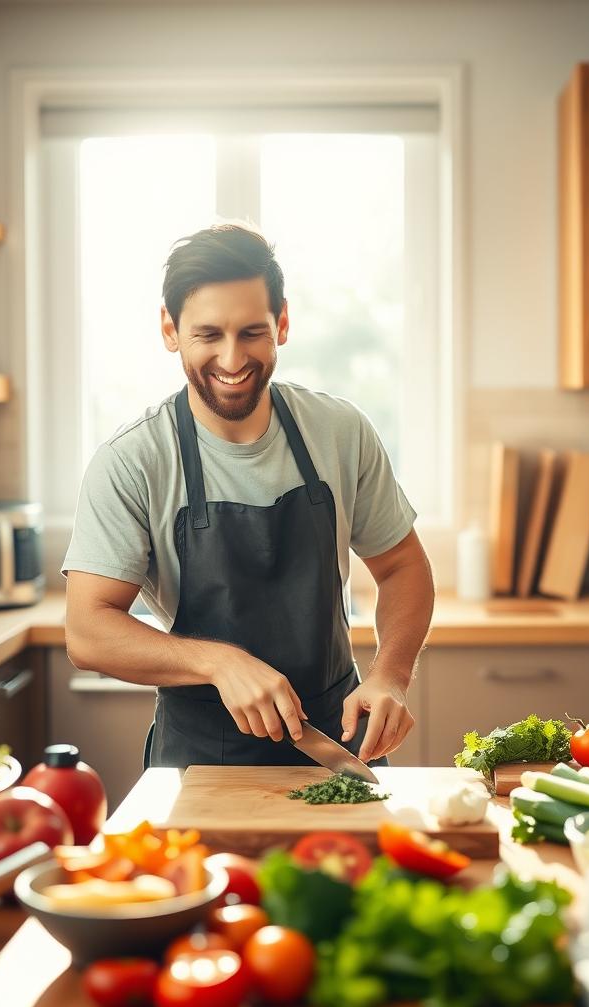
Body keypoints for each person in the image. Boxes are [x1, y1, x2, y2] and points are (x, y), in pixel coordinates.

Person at [62, 223, 434, 769]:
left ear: (282, 324)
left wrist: (391, 676)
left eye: (252, 332)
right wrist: (218, 662)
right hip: (198, 758)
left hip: (336, 740)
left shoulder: (339, 432)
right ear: (170, 329)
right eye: (208, 335)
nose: (232, 359)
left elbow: (403, 566)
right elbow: (88, 631)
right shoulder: (133, 461)